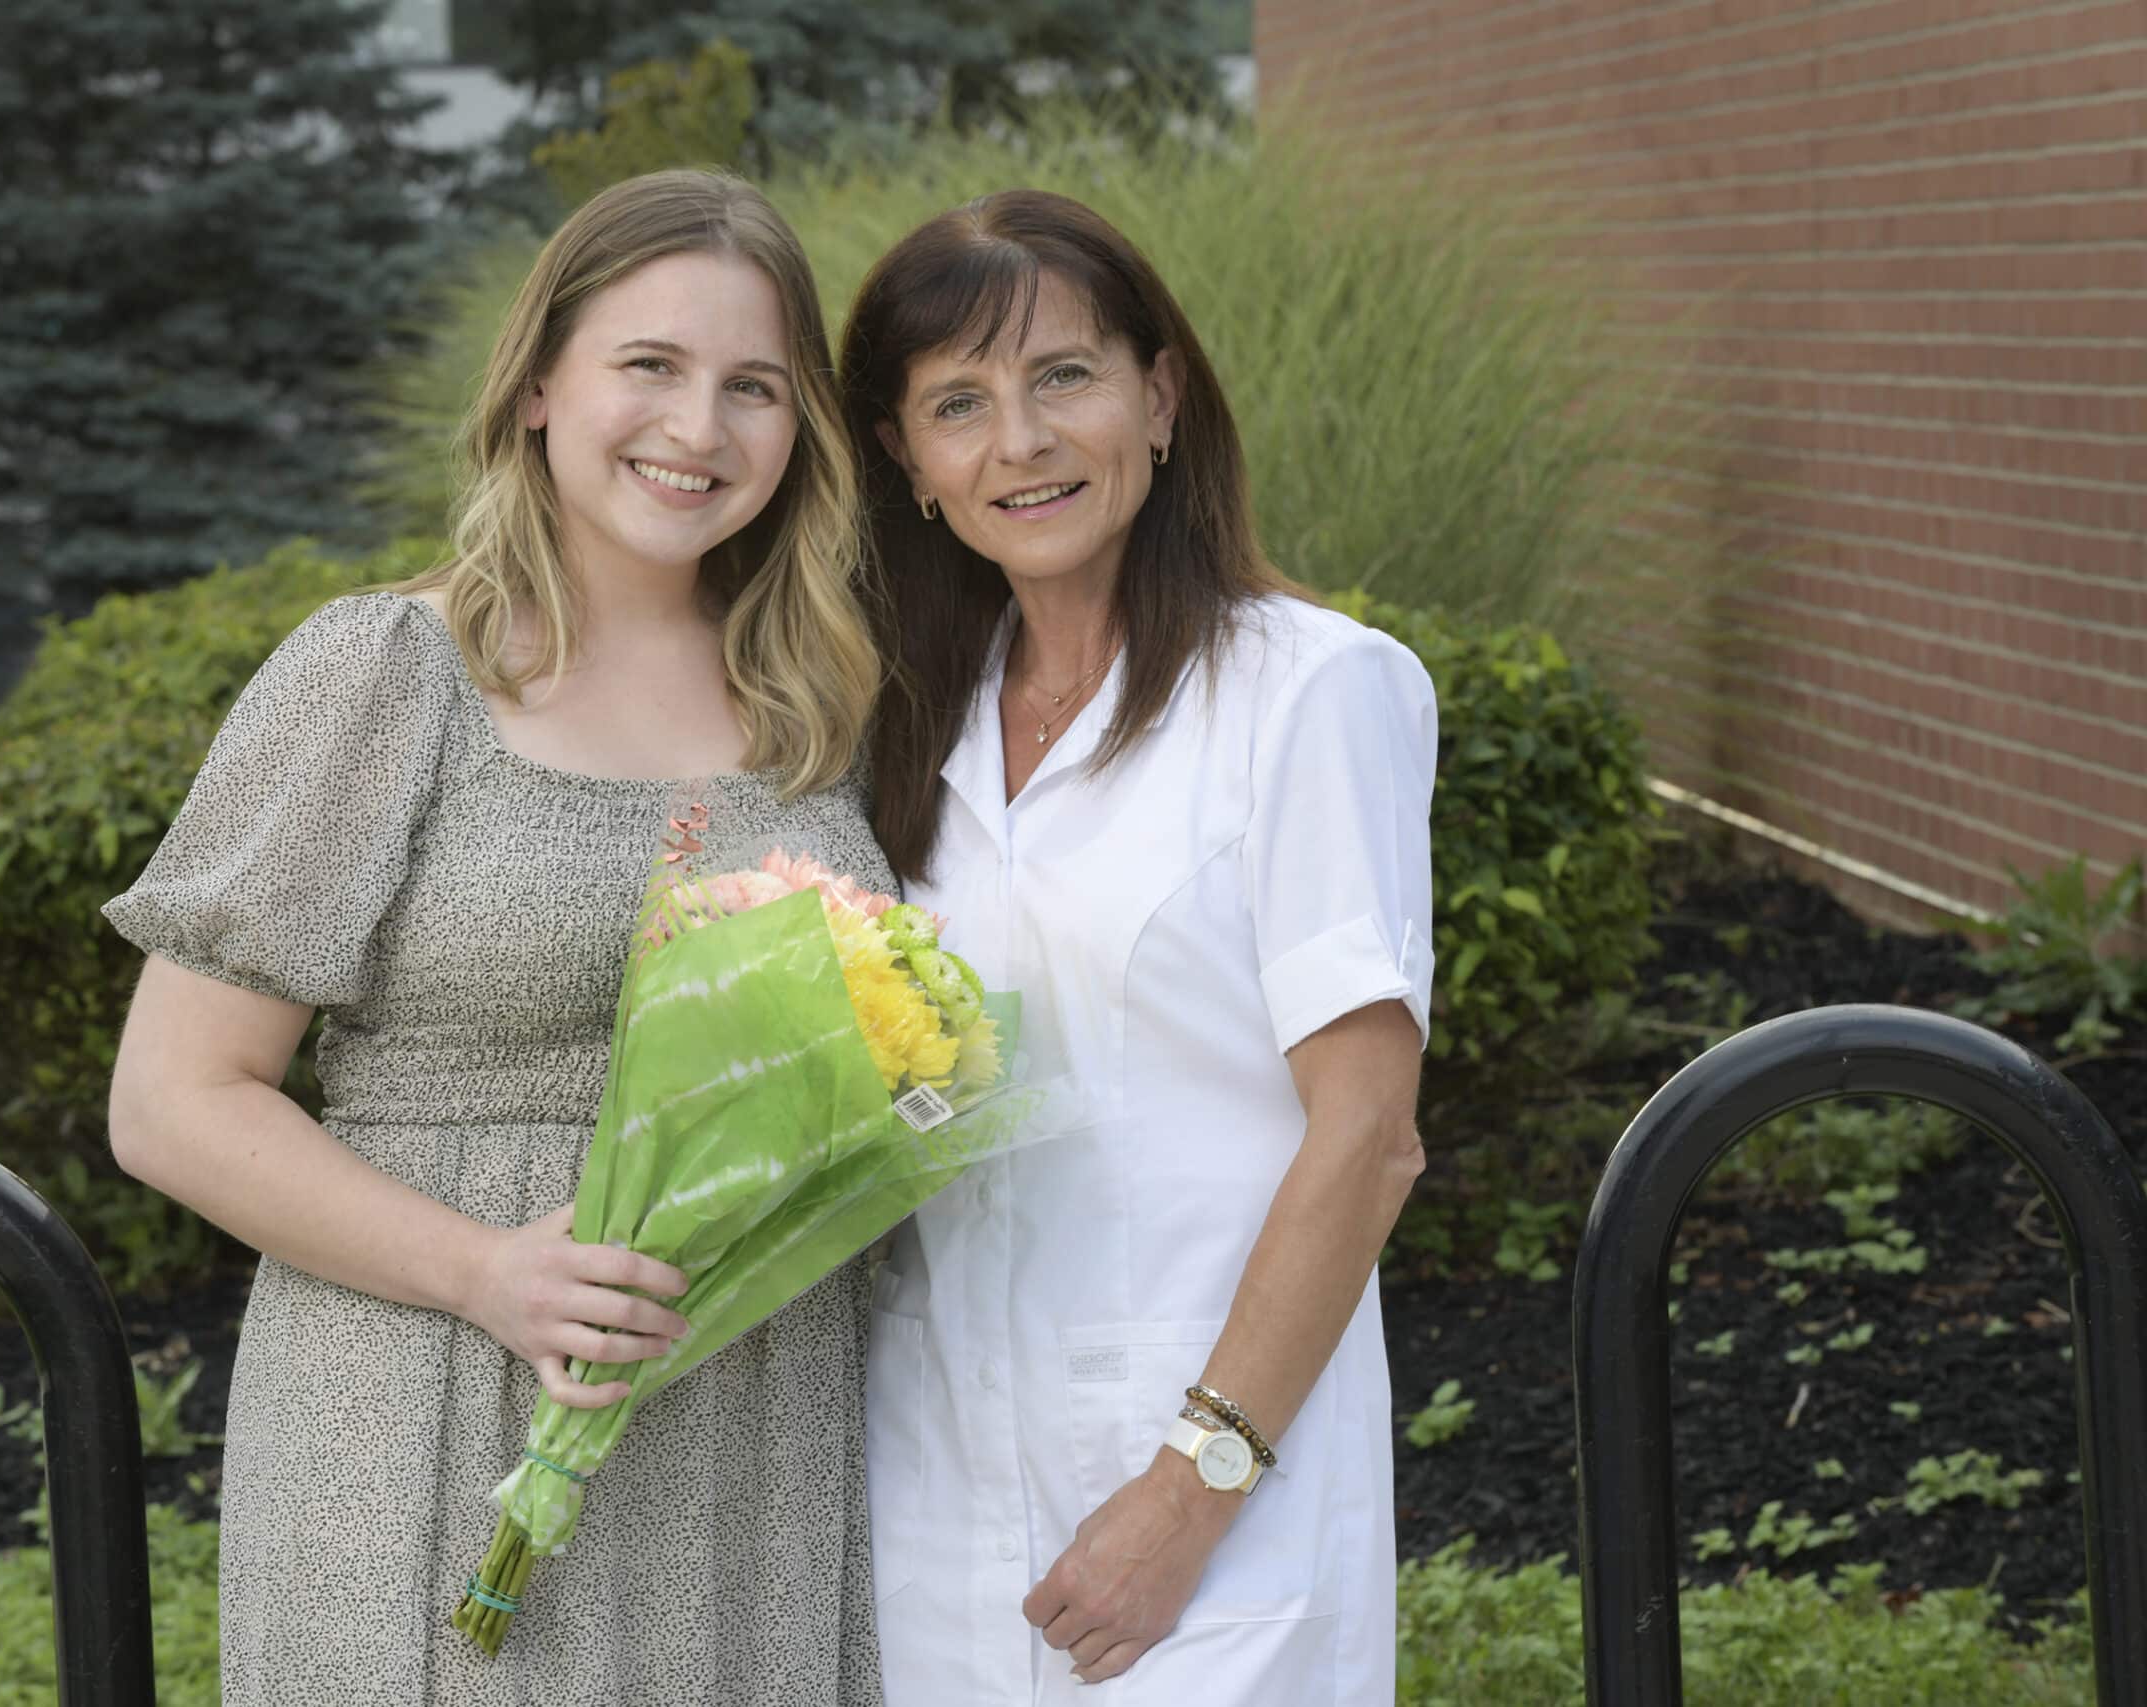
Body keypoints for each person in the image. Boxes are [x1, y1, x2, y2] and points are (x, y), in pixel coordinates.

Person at [102, 168, 890, 1706]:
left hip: (750, 1427)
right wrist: (482, 1273)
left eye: (755, 388)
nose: (699, 428)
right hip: (433, 1403)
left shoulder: (822, 706)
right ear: (539, 384)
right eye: (648, 367)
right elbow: (171, 1101)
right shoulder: (390, 672)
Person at [838, 189, 1436, 1704]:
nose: (1020, 443)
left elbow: (1366, 1138)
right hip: (935, 1491)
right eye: (958, 404)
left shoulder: (1311, 695)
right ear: (909, 463)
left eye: (1064, 377)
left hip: (1219, 1509)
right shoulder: (898, 728)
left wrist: (1195, 1488)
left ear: (1159, 398)